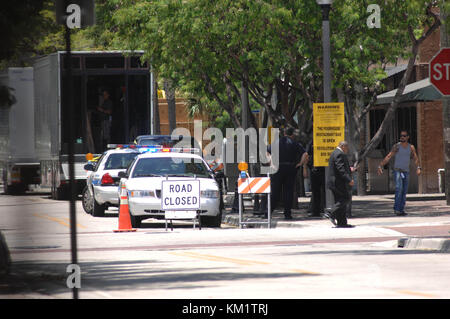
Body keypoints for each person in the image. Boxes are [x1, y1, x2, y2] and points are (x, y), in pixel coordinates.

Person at [377, 130, 421, 216]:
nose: (402, 137)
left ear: (408, 137)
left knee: (404, 191)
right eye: (401, 136)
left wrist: (418, 168)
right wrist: (380, 165)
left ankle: (401, 209)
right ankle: (397, 209)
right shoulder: (396, 146)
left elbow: (415, 158)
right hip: (398, 171)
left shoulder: (411, 147)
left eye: (404, 136)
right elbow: (389, 156)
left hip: (406, 172)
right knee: (399, 189)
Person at [268, 127, 307, 220]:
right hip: (291, 168)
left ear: (284, 133)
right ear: (292, 134)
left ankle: (268, 212)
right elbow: (305, 154)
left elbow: (267, 152)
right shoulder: (295, 143)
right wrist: (300, 164)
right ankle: (287, 214)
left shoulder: (276, 142)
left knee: (275, 191)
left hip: (277, 168)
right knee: (288, 192)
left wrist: (271, 164)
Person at [323, 141, 354, 228]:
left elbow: (341, 168)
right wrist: (349, 179)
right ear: (343, 146)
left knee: (340, 201)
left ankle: (342, 222)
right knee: (345, 198)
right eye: (347, 148)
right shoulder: (339, 154)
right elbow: (341, 169)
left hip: (336, 182)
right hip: (337, 182)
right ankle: (330, 212)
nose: (347, 150)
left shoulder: (335, 153)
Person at [305, 140, 325, 217]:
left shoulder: (313, 141)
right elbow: (307, 155)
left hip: (321, 169)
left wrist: (305, 167)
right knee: (316, 192)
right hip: (316, 169)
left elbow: (307, 155)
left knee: (319, 192)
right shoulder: (312, 142)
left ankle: (319, 211)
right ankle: (317, 211)